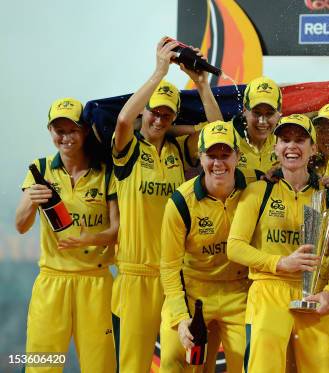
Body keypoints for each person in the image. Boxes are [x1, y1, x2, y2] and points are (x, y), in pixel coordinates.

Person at [111, 37, 223, 372]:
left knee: (180, 363)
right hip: (136, 277)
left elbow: (217, 132)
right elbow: (122, 122)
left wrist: (202, 84)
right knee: (134, 366)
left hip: (175, 277)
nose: (159, 120)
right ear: (144, 111)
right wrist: (160, 72)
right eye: (154, 112)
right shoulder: (128, 150)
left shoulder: (177, 151)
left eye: (167, 115)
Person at [227, 114, 329, 373]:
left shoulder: (328, 196)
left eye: (300, 140)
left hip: (316, 295)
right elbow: (235, 247)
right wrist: (281, 263)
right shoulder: (257, 192)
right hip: (268, 292)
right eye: (285, 140)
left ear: (313, 148)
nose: (291, 146)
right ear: (276, 148)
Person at [15, 98, 118, 372]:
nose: (65, 137)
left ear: (84, 130)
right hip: (52, 281)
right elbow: (21, 225)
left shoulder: (105, 171)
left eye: (71, 129)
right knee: (41, 366)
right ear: (50, 133)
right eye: (58, 131)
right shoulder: (40, 169)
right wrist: (31, 201)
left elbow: (117, 231)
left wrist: (89, 239)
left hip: (95, 283)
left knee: (101, 366)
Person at [160, 121, 260, 373]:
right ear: (200, 157)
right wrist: (182, 319)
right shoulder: (181, 202)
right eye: (211, 156)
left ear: (238, 156)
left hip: (239, 293)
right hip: (194, 292)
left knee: (250, 362)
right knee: (174, 360)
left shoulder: (255, 189)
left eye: (225, 155)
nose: (218, 163)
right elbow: (170, 268)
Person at [232, 76, 283, 174]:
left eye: (269, 113)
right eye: (257, 113)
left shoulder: (287, 138)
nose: (262, 121)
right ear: (244, 111)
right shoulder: (228, 135)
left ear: (279, 114)